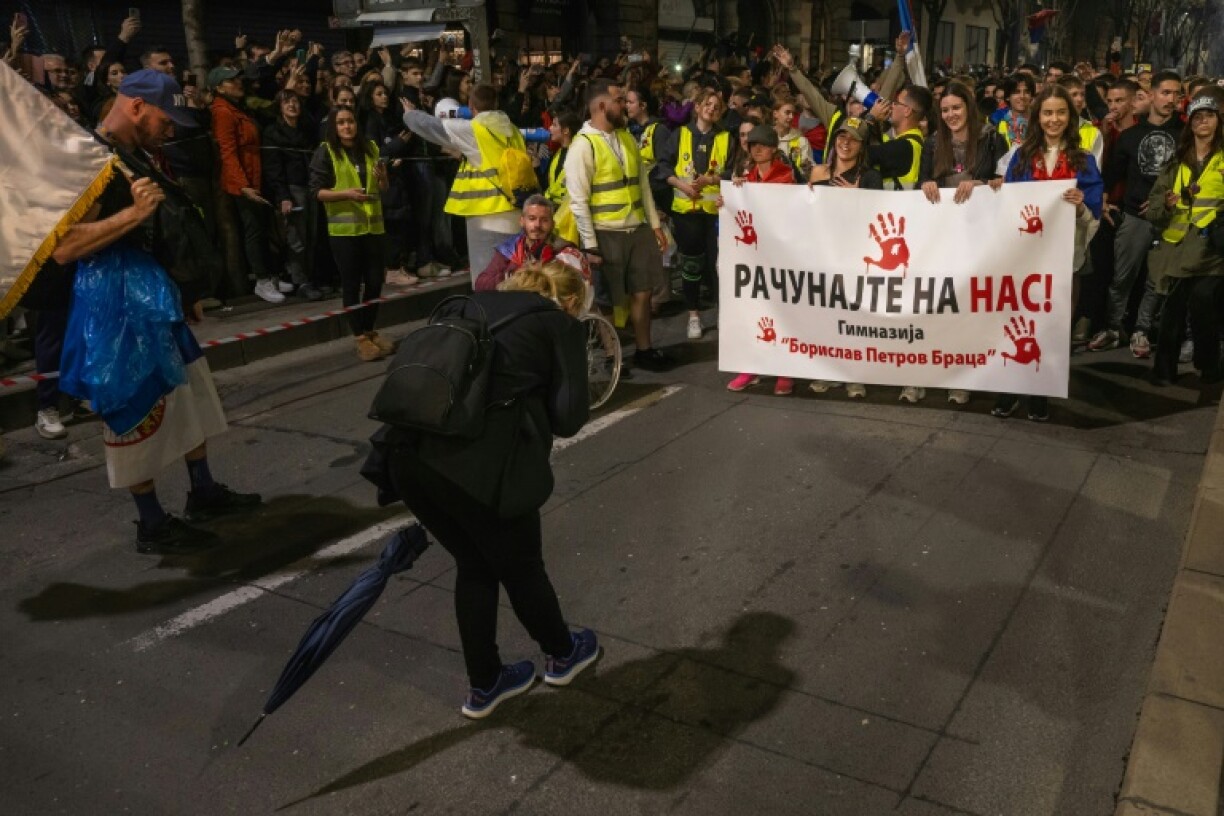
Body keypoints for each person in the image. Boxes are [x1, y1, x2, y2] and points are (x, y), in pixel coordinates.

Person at [48, 69, 261, 552]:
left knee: (192, 396)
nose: (173, 128)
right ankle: (151, 523)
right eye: (168, 117)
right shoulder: (87, 158)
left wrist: (182, 290)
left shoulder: (132, 154)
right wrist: (133, 214)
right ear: (138, 106)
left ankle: (203, 490)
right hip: (116, 302)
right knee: (134, 404)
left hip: (152, 293)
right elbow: (62, 247)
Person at [387, 261, 599, 718]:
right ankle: (563, 653)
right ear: (568, 302)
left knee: (476, 565)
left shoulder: (468, 306)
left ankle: (486, 683)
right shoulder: (555, 322)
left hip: (409, 458)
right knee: (522, 565)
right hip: (480, 468)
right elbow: (568, 418)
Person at [992, 85, 1103, 421]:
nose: (1053, 119)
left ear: (1070, 117)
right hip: (1025, 257)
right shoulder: (1021, 156)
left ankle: (1041, 392)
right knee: (1016, 321)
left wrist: (1082, 205)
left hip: (1062, 256)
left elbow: (1094, 210)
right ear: (1037, 117)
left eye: (1060, 113)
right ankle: (1008, 390)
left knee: (1050, 325)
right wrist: (999, 191)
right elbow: (1008, 204)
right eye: (1047, 113)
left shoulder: (1083, 160)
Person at [565, 79, 673, 371]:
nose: (624, 105)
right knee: (607, 300)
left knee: (643, 291)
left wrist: (654, 225)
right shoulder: (582, 145)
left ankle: (644, 349)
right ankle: (614, 357)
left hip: (636, 230)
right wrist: (590, 245)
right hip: (605, 232)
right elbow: (578, 201)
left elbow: (644, 187)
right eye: (619, 100)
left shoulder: (626, 138)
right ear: (602, 106)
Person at [919, 81, 1009, 406]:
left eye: (956, 108)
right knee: (939, 308)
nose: (951, 115)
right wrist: (926, 184)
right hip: (942, 238)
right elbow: (921, 181)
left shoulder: (991, 137)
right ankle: (928, 373)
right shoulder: (933, 142)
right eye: (945, 110)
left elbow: (1004, 181)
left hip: (978, 238)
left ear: (968, 108)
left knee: (968, 309)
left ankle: (963, 377)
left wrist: (984, 184)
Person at [1090, 70, 1183, 356]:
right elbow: (1113, 173)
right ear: (1152, 94)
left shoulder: (1184, 135)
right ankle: (1113, 327)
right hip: (1133, 216)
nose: (1171, 99)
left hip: (1170, 218)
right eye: (1165, 93)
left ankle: (1141, 330)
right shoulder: (1130, 136)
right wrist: (1104, 202)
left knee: (1156, 281)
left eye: (1176, 94)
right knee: (1122, 278)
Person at [403, 83, 528, 281]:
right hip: (516, 207)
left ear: (470, 106)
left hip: (486, 213)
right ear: (496, 103)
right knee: (515, 273)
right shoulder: (511, 129)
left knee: (488, 276)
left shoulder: (472, 129)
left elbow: (430, 126)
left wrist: (409, 114)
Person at [1145, 93, 1224, 388]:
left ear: (1219, 120)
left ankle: (1209, 366)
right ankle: (1164, 370)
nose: (1203, 121)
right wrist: (1167, 204)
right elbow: (1153, 210)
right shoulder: (1175, 162)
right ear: (1190, 124)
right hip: (1178, 249)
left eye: (1210, 115)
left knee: (1204, 303)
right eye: (1197, 117)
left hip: (1212, 250)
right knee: (1172, 312)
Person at [310, 106, 393, 362]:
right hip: (344, 231)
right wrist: (346, 194)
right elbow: (317, 192)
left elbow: (383, 188)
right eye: (341, 123)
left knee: (375, 282)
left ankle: (370, 330)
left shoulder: (371, 148)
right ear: (334, 127)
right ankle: (359, 337)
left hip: (373, 227)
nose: (347, 126)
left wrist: (382, 179)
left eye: (351, 121)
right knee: (351, 284)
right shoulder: (326, 151)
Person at [806, 117, 881, 400]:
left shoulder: (870, 177)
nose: (845, 143)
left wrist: (858, 198)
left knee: (854, 318)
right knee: (827, 315)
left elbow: (881, 216)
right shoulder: (818, 172)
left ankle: (855, 374)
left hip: (855, 255)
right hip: (824, 253)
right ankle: (828, 369)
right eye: (841, 137)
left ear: (862, 145)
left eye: (852, 139)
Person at [723, 125, 796, 395]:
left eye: (762, 145)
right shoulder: (746, 179)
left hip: (781, 257)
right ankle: (751, 366)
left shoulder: (786, 176)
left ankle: (784, 370)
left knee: (782, 311)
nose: (756, 149)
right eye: (752, 145)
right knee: (753, 310)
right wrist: (729, 199)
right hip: (753, 259)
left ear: (774, 149)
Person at [656, 88, 729, 341]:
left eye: (716, 106)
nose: (711, 108)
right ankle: (693, 315)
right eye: (707, 104)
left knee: (718, 266)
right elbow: (663, 166)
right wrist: (682, 185)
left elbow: (732, 172)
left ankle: (723, 312)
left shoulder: (725, 138)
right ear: (697, 107)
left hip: (717, 213)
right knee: (691, 266)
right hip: (687, 213)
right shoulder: (680, 134)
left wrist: (712, 178)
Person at [209, 65, 284, 304]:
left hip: (254, 175)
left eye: (237, 79)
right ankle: (261, 280)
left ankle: (271, 275)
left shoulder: (236, 108)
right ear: (219, 87)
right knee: (253, 230)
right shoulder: (222, 112)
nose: (237, 83)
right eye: (231, 80)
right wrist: (243, 185)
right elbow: (227, 152)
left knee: (262, 228)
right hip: (243, 181)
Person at [263, 89, 319, 299]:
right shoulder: (273, 132)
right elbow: (273, 167)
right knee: (296, 238)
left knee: (311, 236)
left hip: (309, 186)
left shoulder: (305, 130)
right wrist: (283, 196)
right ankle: (299, 281)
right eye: (287, 102)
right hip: (292, 188)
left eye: (295, 101)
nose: (292, 105)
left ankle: (308, 278)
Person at [474, 195, 581, 291]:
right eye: (532, 219)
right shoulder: (510, 248)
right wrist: (513, 275)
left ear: (552, 224)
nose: (537, 225)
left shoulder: (564, 251)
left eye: (544, 220)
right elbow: (480, 284)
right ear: (522, 221)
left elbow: (571, 289)